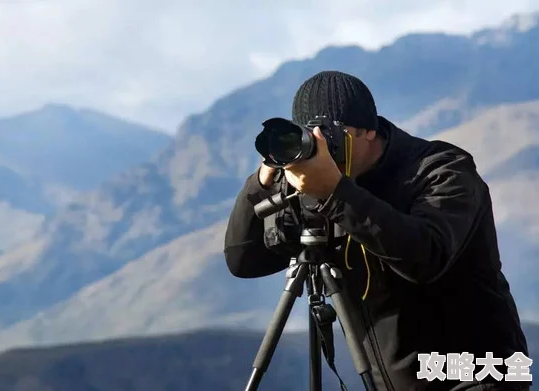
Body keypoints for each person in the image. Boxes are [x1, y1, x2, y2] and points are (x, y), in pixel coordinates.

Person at [223, 70, 531, 391]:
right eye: (309, 137)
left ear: (369, 130)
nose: (322, 149)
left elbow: (426, 257)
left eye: (330, 136)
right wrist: (261, 182)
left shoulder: (442, 170)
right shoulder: (310, 187)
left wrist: (336, 193)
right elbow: (244, 261)